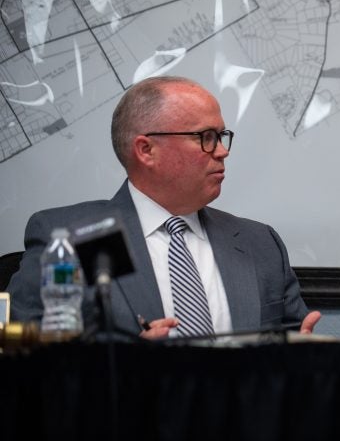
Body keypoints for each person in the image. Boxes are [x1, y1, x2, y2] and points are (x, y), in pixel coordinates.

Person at [8, 75, 321, 339]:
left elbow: (293, 338)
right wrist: (129, 366)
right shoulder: (74, 239)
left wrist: (303, 356)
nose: (223, 151)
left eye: (222, 136)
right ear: (146, 150)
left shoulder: (259, 244)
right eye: (207, 137)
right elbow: (29, 354)